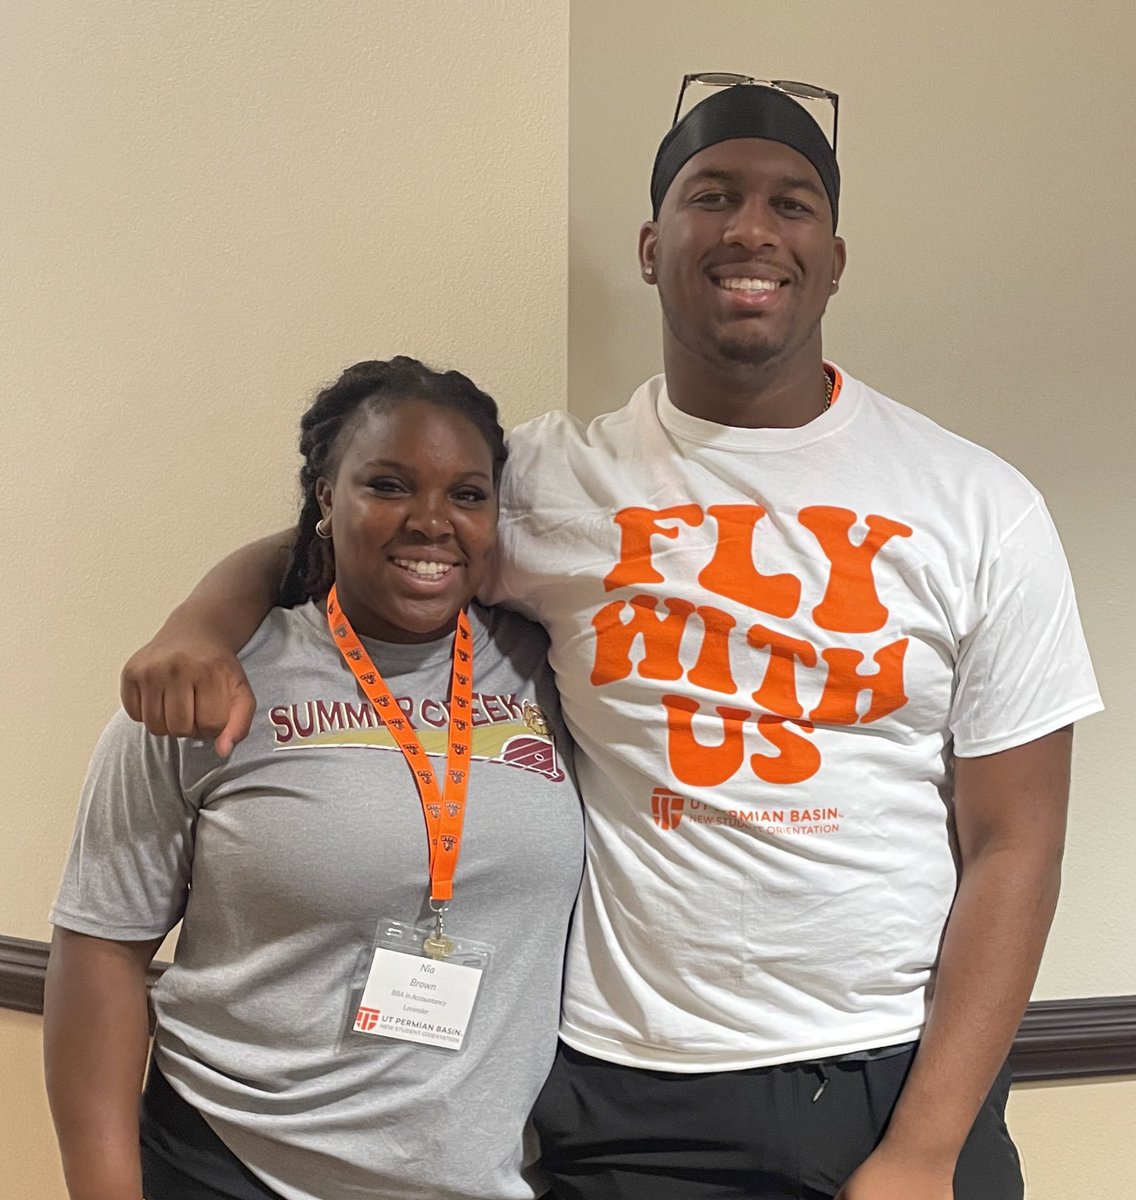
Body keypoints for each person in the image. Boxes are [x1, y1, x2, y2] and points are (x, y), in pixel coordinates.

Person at [116, 80, 1102, 1200]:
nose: (748, 230)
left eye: (790, 206)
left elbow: (1016, 847)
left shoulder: (978, 506)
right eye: (711, 197)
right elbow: (346, 535)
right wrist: (199, 623)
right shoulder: (544, 481)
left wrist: (925, 1150)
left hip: (886, 1075)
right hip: (624, 1090)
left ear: (832, 257)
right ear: (649, 246)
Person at [44, 356, 584, 1200]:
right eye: (389, 485)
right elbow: (101, 948)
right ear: (327, 499)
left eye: (468, 494)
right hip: (234, 1165)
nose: (432, 521)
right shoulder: (212, 688)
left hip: (484, 1179)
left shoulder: (547, 667)